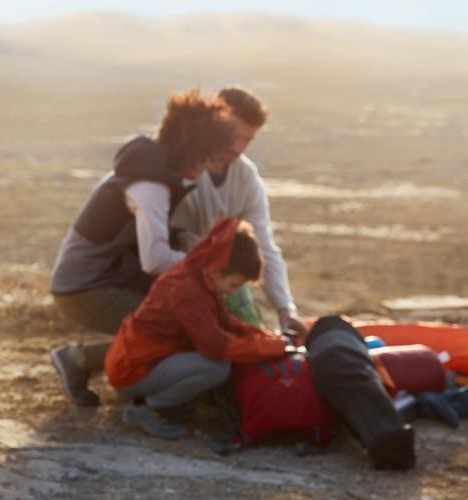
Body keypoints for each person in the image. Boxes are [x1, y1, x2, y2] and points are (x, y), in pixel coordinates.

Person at [48, 90, 242, 406]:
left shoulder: (150, 170)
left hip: (105, 277)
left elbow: (154, 234)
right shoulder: (150, 185)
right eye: (208, 159)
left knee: (182, 319)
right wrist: (207, 269)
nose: (207, 169)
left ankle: (94, 363)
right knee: (178, 328)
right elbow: (155, 260)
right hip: (85, 289)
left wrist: (198, 247)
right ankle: (82, 360)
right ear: (192, 150)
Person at [104, 218, 290, 439]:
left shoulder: (201, 273)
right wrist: (271, 348)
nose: (233, 292)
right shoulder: (187, 289)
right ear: (218, 270)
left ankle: (161, 402)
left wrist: (266, 338)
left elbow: (226, 322)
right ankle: (144, 407)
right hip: (133, 371)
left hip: (146, 361)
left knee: (216, 360)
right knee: (216, 367)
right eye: (234, 285)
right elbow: (216, 345)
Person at [172, 86, 306, 338]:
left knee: (248, 334)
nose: (238, 147)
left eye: (248, 139)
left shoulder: (246, 178)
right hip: (166, 271)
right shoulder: (182, 165)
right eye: (234, 134)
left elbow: (264, 245)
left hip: (217, 275)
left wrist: (285, 309)